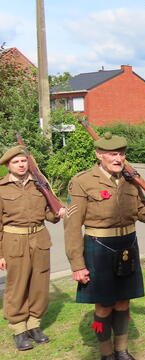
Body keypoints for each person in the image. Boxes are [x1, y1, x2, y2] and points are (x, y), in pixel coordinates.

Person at [64, 133, 145, 360]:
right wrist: (78, 265)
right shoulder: (82, 182)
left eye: (122, 154)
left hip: (128, 245)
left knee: (124, 301)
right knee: (104, 305)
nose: (118, 158)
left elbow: (141, 213)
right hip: (98, 248)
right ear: (99, 155)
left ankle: (122, 350)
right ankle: (106, 353)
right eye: (113, 154)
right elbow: (72, 227)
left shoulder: (131, 179)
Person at [0, 146, 65, 351]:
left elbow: (49, 215)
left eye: (23, 161)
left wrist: (58, 211)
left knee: (39, 283)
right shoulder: (1, 188)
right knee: (17, 286)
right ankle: (19, 329)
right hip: (13, 241)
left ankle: (34, 326)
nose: (21, 165)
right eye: (16, 162)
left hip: (39, 238)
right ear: (8, 165)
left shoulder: (39, 184)